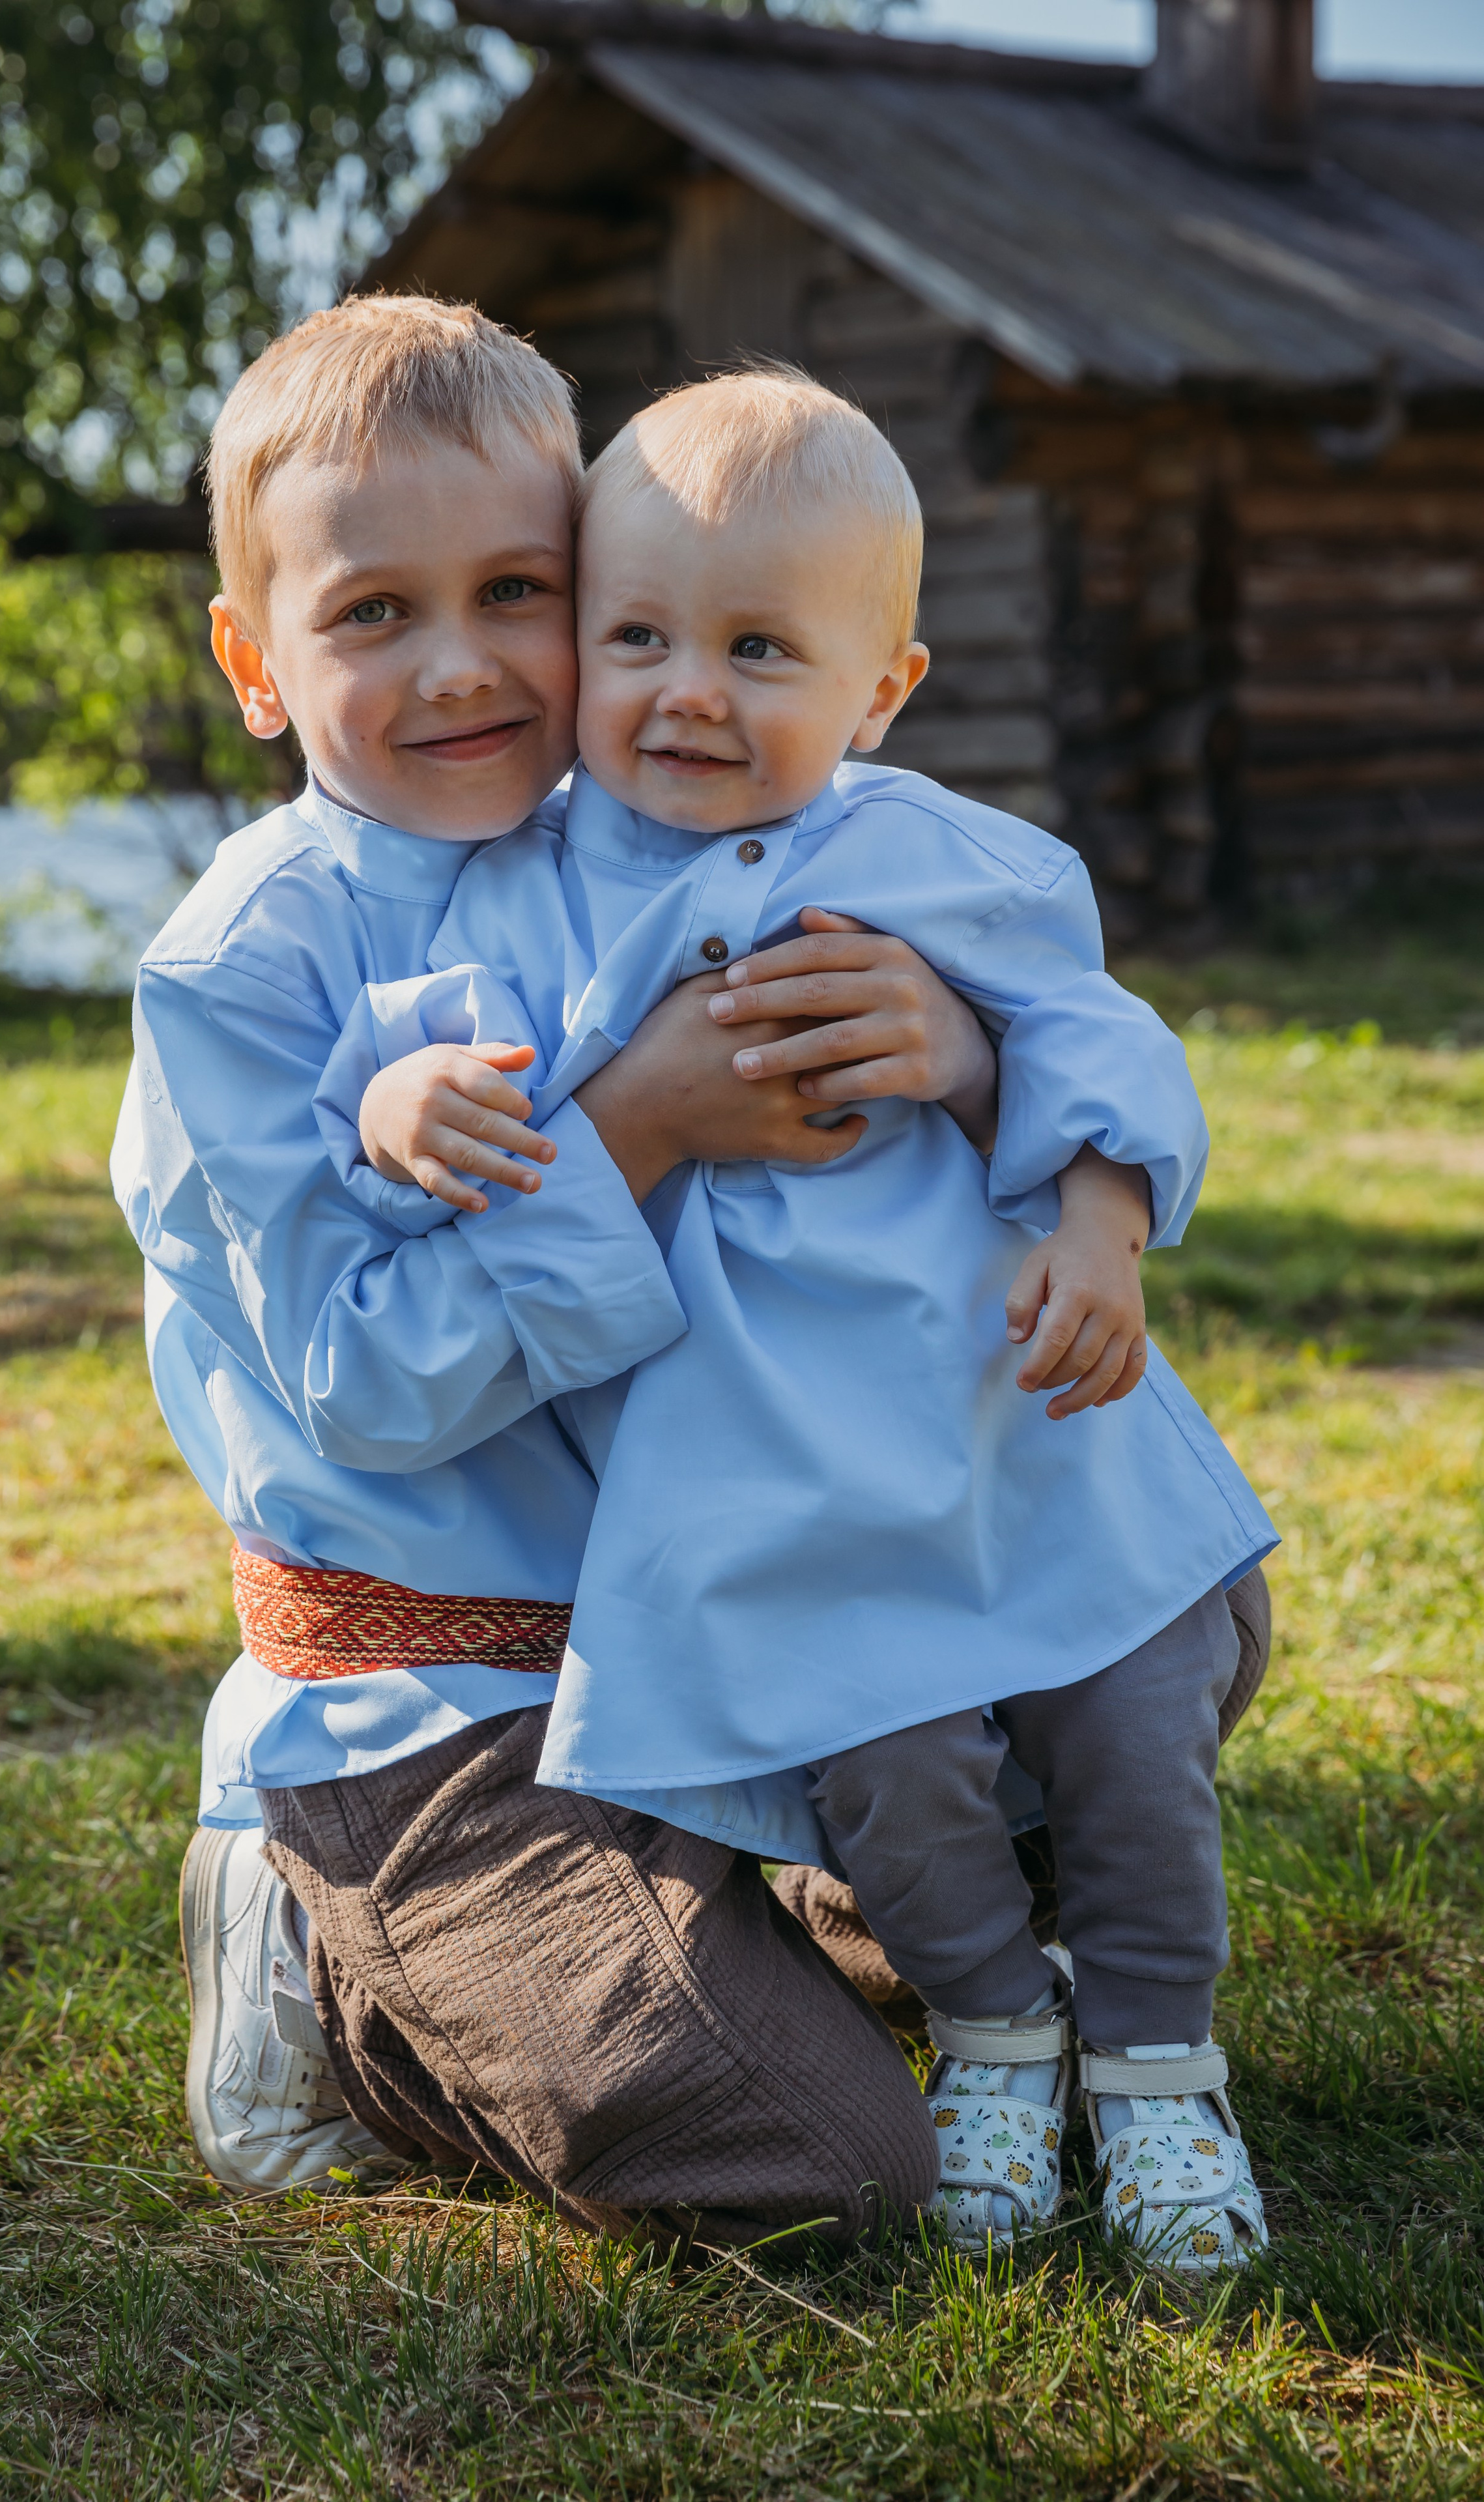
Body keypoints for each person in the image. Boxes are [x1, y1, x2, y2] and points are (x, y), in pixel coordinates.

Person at [115, 293, 1106, 2241]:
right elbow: (365, 1384)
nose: (466, 665)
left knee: (1129, 1657)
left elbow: (983, 959)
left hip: (728, 1617)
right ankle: (333, 1966)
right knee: (834, 2178)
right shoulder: (243, 970)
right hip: (443, 1700)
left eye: (522, 591)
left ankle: (765, 1920)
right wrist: (636, 1125)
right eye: (374, 613)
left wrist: (964, 1048)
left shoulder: (653, 822)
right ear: (255, 658)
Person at [347, 371, 1277, 2273]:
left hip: (1016, 1416)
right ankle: (1004, 2031)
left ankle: (1166, 2061)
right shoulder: (521, 885)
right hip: (782, 1475)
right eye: (640, 637)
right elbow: (414, 1042)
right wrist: (392, 1103)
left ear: (883, 691)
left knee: (1127, 1729)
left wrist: (1100, 1220)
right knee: (891, 1768)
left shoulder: (946, 859)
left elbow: (1107, 1044)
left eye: (760, 649)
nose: (689, 690)